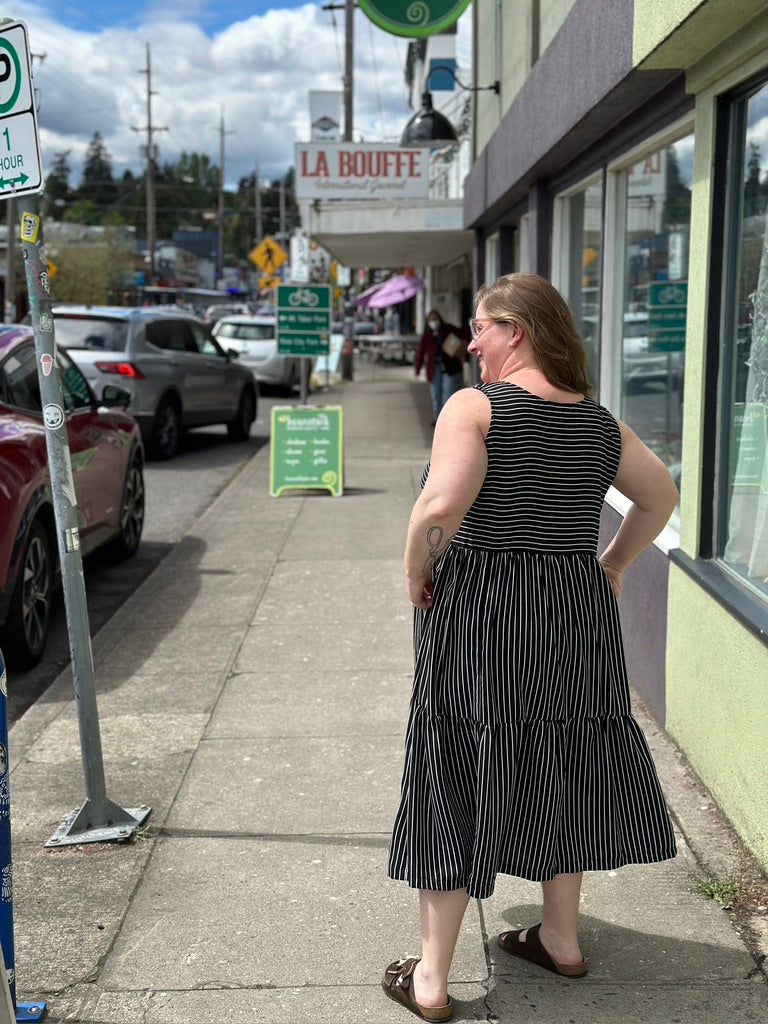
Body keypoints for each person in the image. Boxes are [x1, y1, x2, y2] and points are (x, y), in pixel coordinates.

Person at [382, 273, 679, 1022]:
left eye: (482, 326)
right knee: (564, 760)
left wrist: (418, 569)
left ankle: (431, 980)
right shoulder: (599, 424)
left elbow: (441, 506)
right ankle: (562, 940)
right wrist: (610, 567)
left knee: (456, 761)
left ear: (517, 330)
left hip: (485, 611)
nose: (471, 341)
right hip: (575, 612)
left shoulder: (476, 407)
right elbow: (660, 496)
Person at [414, 310, 467, 424]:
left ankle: (447, 419)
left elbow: (464, 333)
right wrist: (417, 369)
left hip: (450, 367)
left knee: (448, 393)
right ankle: (438, 419)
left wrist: (462, 343)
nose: (434, 322)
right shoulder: (427, 335)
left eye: (435, 319)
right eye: (431, 320)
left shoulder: (448, 329)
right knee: (436, 395)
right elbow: (421, 353)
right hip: (434, 369)